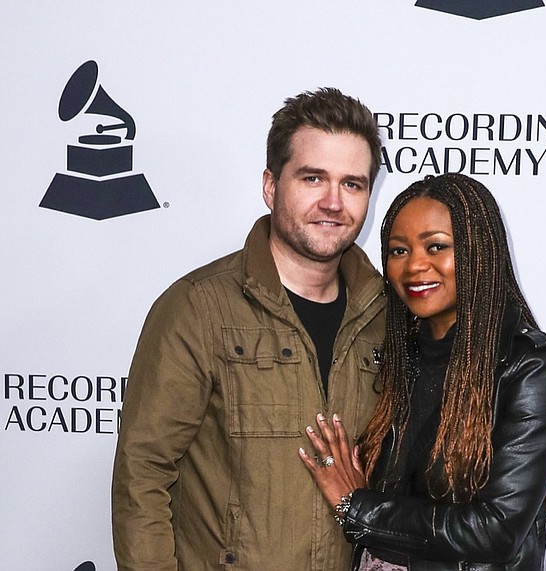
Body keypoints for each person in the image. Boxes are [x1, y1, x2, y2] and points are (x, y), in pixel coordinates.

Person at [112, 87, 386, 570]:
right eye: (312, 178)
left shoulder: (387, 317)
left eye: (352, 184)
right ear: (270, 185)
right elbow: (143, 475)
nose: (333, 202)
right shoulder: (198, 308)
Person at [300, 173, 546, 570]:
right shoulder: (395, 355)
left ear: (477, 252)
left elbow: (494, 531)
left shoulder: (526, 367)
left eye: (436, 247)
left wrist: (357, 507)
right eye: (398, 251)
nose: (415, 266)